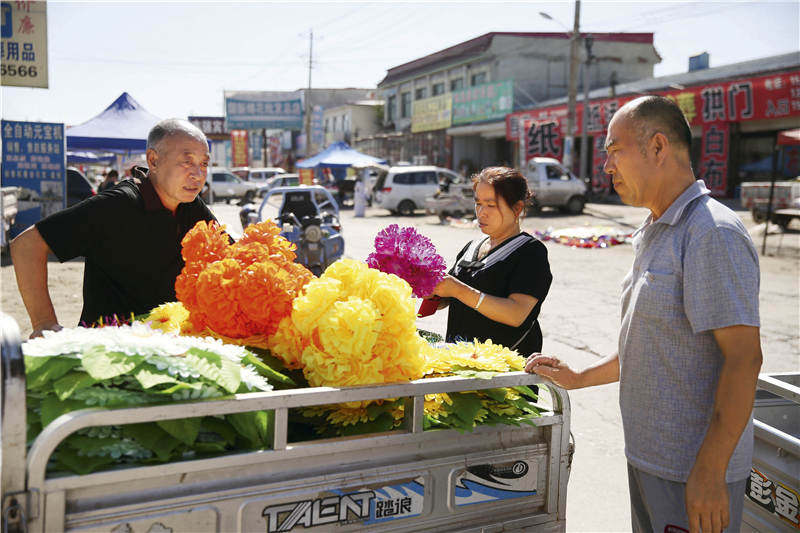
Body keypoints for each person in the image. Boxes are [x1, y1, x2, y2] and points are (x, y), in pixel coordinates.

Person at [525, 96, 762, 533]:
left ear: (657, 147)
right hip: (650, 459)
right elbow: (652, 345)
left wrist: (710, 471)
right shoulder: (655, 230)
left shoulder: (711, 232)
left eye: (615, 151)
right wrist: (579, 377)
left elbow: (744, 359)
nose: (607, 167)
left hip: (692, 471)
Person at [10, 118, 219, 337]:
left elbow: (228, 252)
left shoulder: (191, 206)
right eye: (187, 162)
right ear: (153, 160)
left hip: (167, 343)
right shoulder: (118, 204)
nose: (198, 174)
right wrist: (44, 323)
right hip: (109, 347)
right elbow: (26, 245)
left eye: (204, 163)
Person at [430, 166, 552, 356]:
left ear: (517, 208)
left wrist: (458, 290)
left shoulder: (530, 252)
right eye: (478, 203)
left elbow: (516, 314)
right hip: (461, 364)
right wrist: (425, 287)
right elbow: (445, 298)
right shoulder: (472, 247)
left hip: (503, 375)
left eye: (491, 205)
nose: (481, 212)